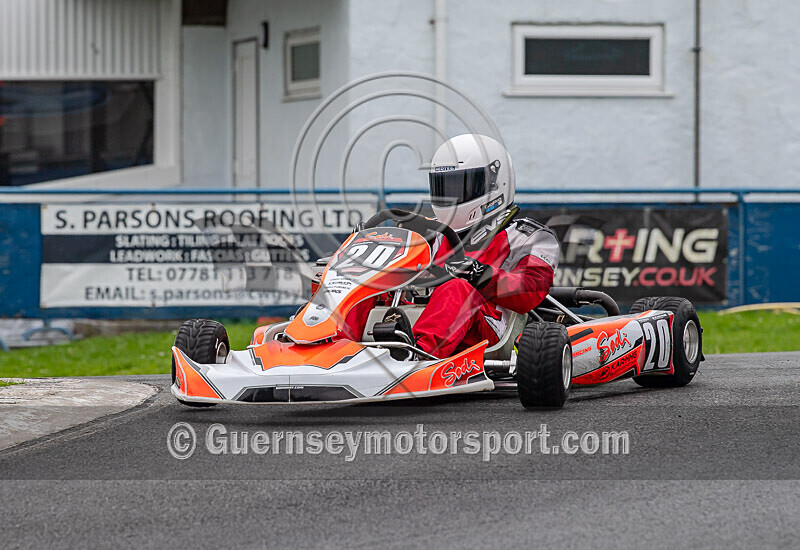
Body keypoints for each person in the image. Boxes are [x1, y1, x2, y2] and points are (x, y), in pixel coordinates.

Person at [345, 134, 560, 357]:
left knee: (457, 287)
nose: (451, 195)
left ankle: (416, 356)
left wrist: (481, 275)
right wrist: (371, 249)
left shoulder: (529, 237)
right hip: (424, 319)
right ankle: (333, 346)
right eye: (444, 187)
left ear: (496, 182)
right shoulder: (432, 234)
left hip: (492, 327)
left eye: (461, 185)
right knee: (366, 282)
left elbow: (531, 291)